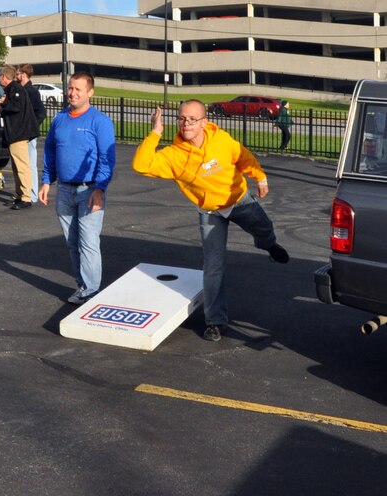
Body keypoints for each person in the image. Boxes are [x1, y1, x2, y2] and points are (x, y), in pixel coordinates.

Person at [132, 99, 290, 342]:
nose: (186, 124)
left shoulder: (221, 140)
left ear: (204, 122)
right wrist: (155, 132)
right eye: (182, 118)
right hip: (209, 212)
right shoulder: (174, 155)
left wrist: (260, 178)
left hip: (238, 200)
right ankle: (215, 321)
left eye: (192, 119)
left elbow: (244, 157)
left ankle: (268, 245)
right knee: (213, 267)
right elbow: (140, 165)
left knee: (264, 228)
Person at [39, 72, 115, 305]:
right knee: (72, 242)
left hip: (89, 190)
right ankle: (82, 286)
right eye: (70, 88)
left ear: (90, 93)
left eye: (77, 89)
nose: (72, 93)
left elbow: (106, 158)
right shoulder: (59, 119)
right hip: (64, 189)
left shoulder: (99, 121)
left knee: (88, 242)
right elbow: (50, 151)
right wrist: (46, 181)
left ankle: (92, 291)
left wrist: (100, 188)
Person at [0, 65, 37, 210]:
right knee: (16, 166)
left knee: (22, 166)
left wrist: (4, 103)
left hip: (18, 133)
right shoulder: (13, 88)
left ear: (4, 77)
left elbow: (17, 106)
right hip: (15, 133)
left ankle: (26, 197)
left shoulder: (15, 89)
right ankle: (20, 195)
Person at [17, 64, 46, 204]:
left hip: (28, 134)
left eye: (17, 74)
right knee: (23, 164)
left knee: (30, 164)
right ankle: (25, 191)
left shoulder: (31, 91)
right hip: (22, 134)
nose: (16, 77)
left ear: (23, 74)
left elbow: (41, 113)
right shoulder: (23, 90)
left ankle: (32, 193)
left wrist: (31, 127)